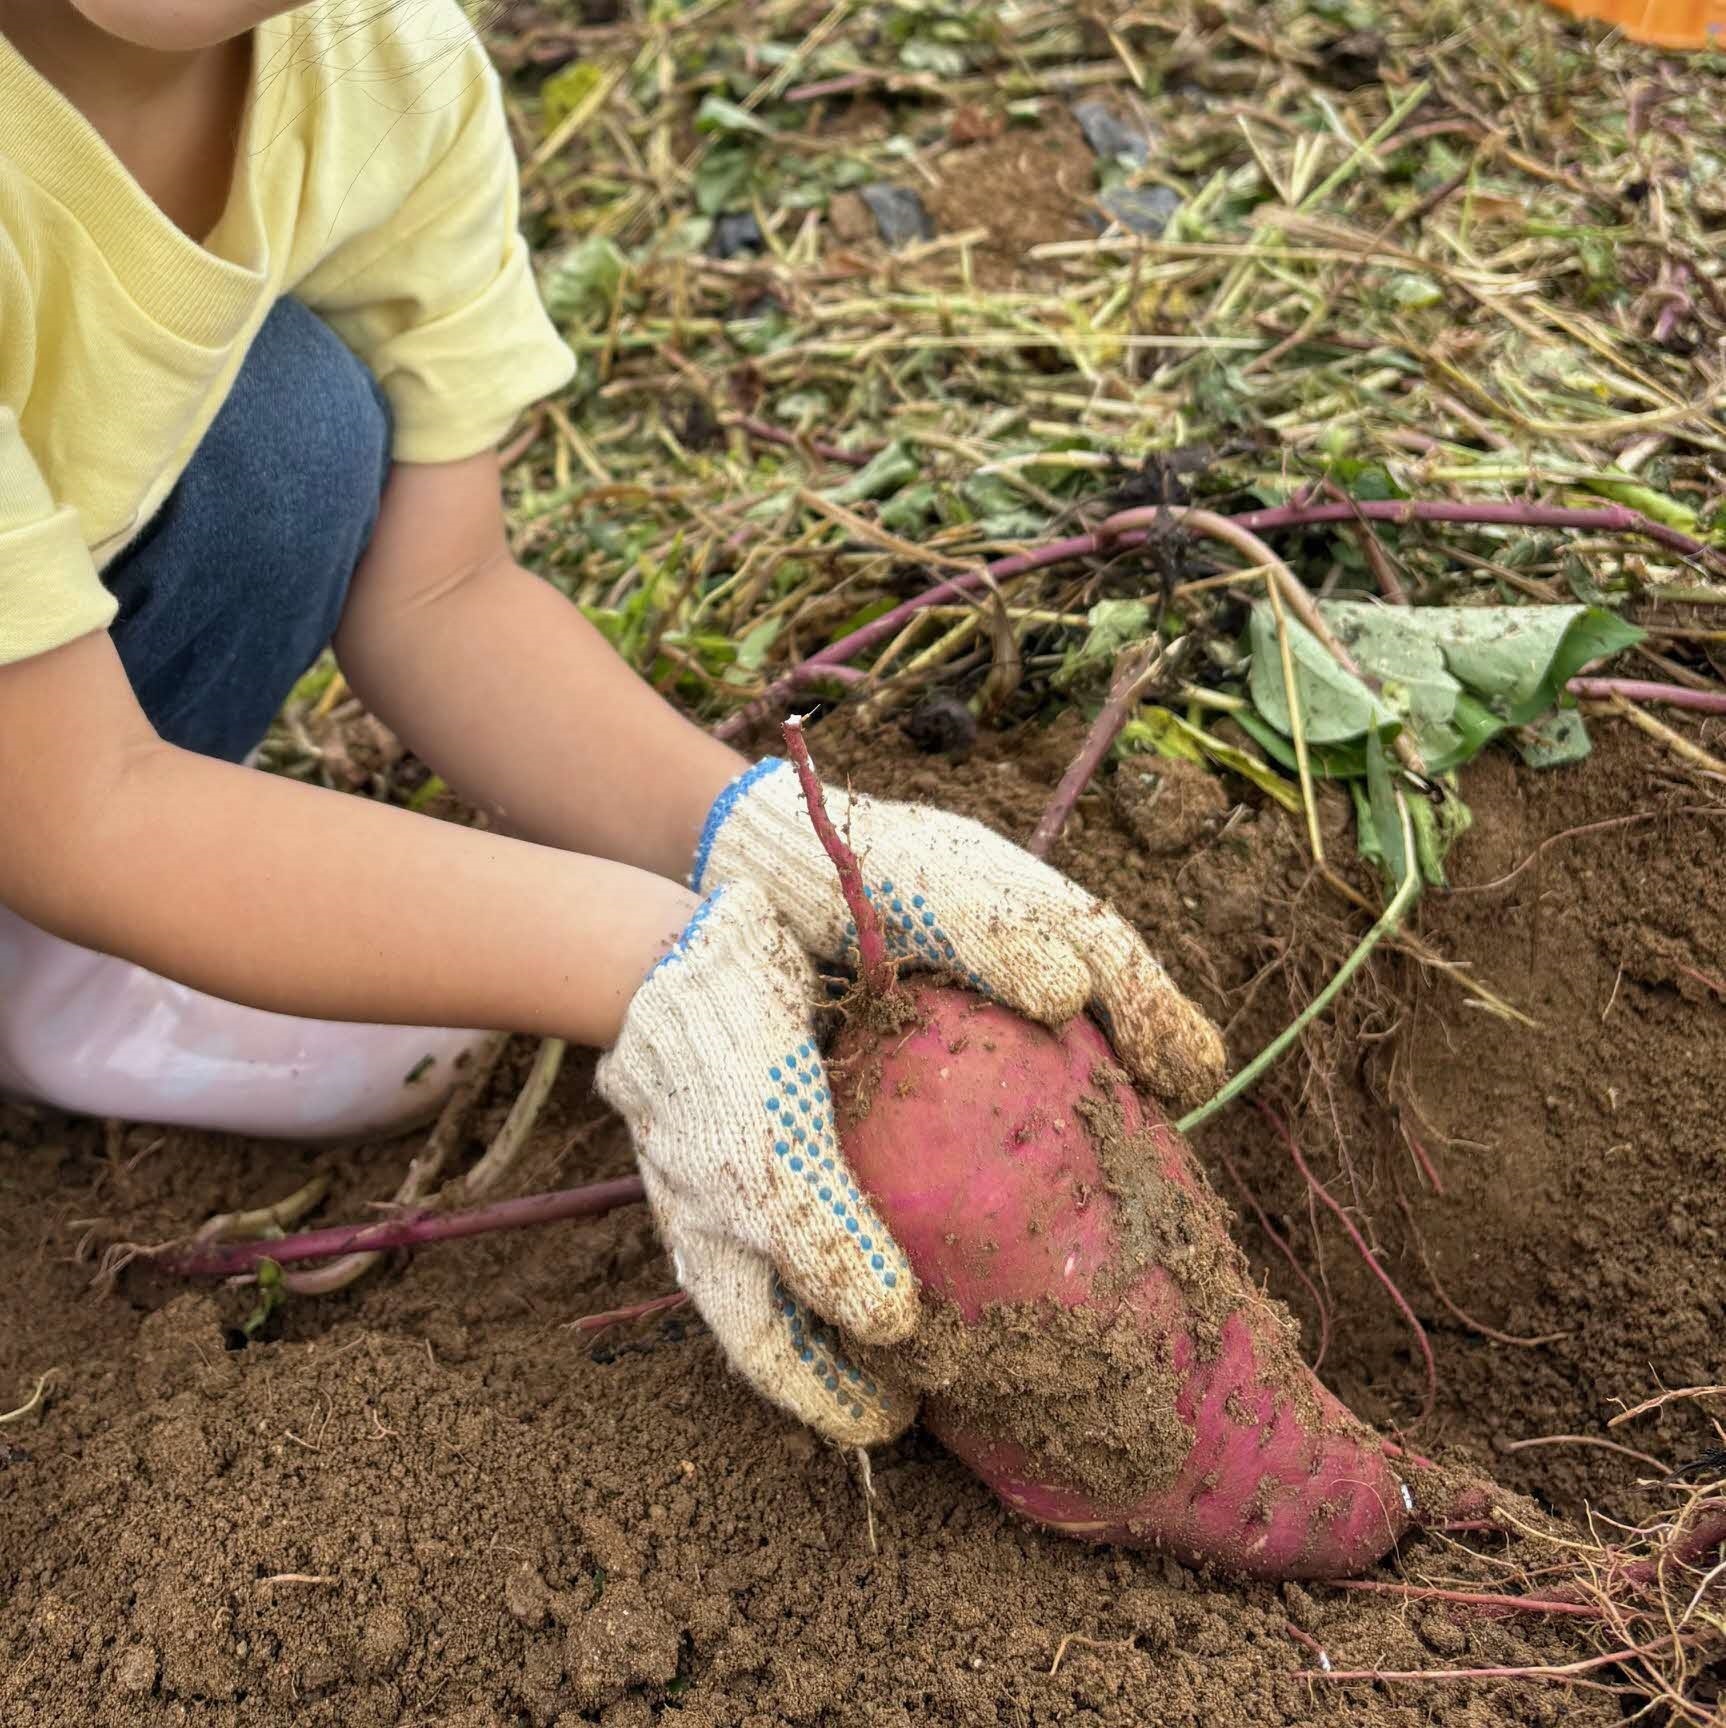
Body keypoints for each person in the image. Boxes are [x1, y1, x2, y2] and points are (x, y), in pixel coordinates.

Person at [0, 0, 1225, 1444]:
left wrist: (756, 838)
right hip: (54, 784)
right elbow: (81, 803)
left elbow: (440, 594)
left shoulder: (379, 66)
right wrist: (634, 961)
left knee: (290, 437)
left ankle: (50, 974)